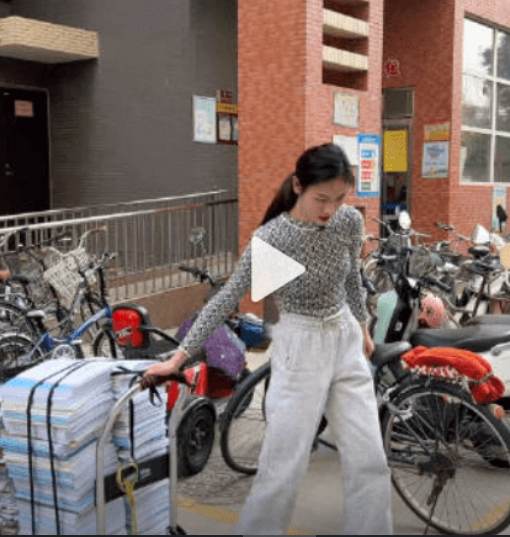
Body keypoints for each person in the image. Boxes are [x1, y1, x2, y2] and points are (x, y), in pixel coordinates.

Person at [143, 143, 393, 535]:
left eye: (340, 198)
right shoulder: (274, 237)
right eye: (321, 199)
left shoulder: (347, 221)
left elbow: (351, 279)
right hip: (300, 345)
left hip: (344, 336)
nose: (330, 209)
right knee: (283, 467)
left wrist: (361, 328)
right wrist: (178, 358)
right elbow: (228, 297)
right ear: (298, 186)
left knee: (370, 459)